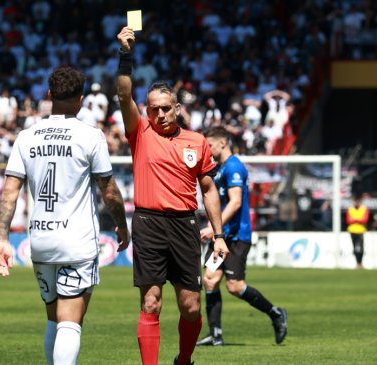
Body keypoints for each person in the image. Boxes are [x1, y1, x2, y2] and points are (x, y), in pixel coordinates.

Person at [0, 66, 130, 365]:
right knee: (70, 321)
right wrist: (122, 226)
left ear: (50, 94)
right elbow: (109, 192)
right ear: (81, 100)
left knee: (54, 318)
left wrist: (1, 238)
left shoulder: (26, 137)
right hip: (76, 241)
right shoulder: (90, 136)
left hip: (41, 240)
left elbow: (9, 193)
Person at [116, 27, 229, 365]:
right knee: (151, 302)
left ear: (177, 108)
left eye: (165, 108)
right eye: (153, 109)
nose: (160, 114)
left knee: (191, 306)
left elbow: (208, 189)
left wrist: (220, 235)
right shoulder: (140, 133)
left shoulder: (197, 141)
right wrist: (125, 55)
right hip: (148, 223)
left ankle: (183, 360)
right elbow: (124, 95)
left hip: (184, 225)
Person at [197, 127, 287, 347]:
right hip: (222, 237)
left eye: (209, 144)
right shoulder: (219, 168)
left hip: (236, 236)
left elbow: (235, 202)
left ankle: (275, 313)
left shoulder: (235, 167)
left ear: (223, 143)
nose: (206, 149)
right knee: (210, 279)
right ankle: (215, 334)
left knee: (235, 286)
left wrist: (213, 228)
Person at [346, 194, 369, 268]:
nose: (357, 203)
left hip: (360, 230)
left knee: (361, 248)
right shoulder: (350, 209)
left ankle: (360, 262)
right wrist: (358, 220)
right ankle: (357, 263)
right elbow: (349, 220)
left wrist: (355, 219)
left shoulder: (364, 209)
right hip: (352, 230)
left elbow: (365, 219)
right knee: (354, 248)